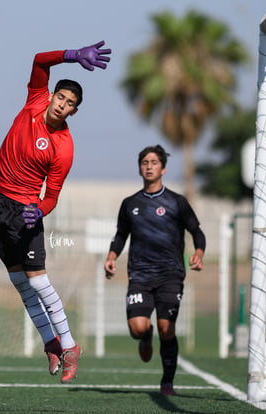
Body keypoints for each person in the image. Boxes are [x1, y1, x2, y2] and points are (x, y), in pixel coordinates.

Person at [0, 41, 111, 384]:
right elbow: (39, 61)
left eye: (71, 104)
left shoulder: (63, 148)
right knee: (17, 280)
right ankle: (51, 343)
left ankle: (70, 346)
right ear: (52, 96)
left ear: (74, 112)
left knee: (38, 280)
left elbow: (52, 197)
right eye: (61, 98)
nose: (63, 105)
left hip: (23, 212)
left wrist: (38, 211)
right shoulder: (35, 99)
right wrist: (71, 55)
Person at [104, 145, 206, 396]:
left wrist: (199, 253)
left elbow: (197, 231)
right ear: (140, 167)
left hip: (170, 274)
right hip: (139, 274)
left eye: (154, 162)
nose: (149, 166)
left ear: (163, 168)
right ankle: (146, 335)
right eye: (144, 162)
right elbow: (121, 234)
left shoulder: (177, 202)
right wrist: (112, 256)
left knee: (167, 328)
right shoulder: (130, 204)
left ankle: (167, 382)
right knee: (138, 328)